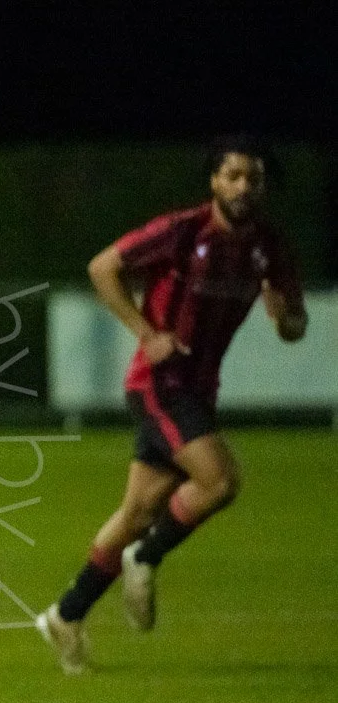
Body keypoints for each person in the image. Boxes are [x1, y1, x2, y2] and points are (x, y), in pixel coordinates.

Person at [38, 136, 307, 674]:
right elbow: (102, 268)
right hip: (159, 385)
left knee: (137, 512)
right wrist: (145, 331)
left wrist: (285, 317)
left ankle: (65, 616)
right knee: (220, 481)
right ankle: (148, 557)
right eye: (232, 176)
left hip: (200, 391)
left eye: (252, 178)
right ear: (214, 180)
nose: (242, 187)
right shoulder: (181, 232)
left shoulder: (270, 246)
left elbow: (296, 327)